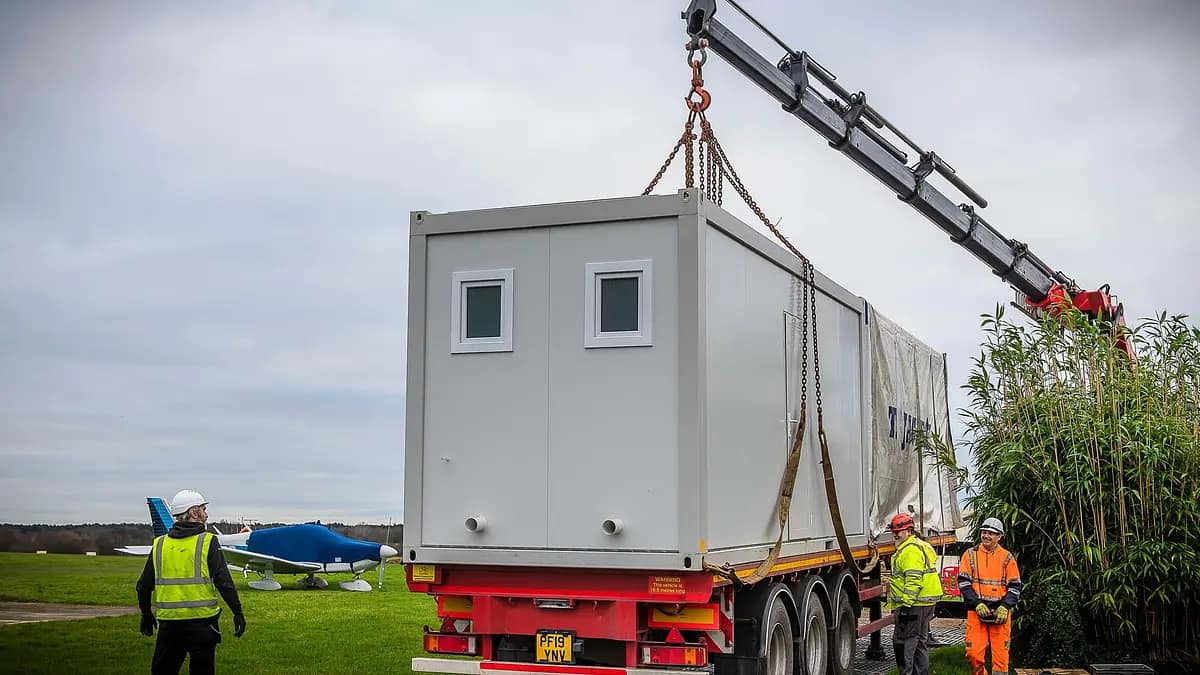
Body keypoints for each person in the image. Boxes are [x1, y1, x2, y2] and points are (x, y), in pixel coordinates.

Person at [136, 490, 246, 675]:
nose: (206, 514)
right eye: (203, 509)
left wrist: (146, 615)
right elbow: (224, 582)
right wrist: (238, 612)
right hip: (202, 625)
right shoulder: (207, 541)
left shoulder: (160, 544)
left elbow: (143, 586)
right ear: (194, 513)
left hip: (169, 626)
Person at [957, 517, 1022, 675]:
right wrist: (977, 604)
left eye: (991, 533)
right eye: (984, 532)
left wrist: (1005, 607)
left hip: (1000, 615)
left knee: (1001, 660)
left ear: (999, 536)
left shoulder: (1007, 558)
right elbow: (964, 583)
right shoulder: (970, 555)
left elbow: (1015, 586)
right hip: (976, 612)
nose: (986, 536)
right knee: (973, 654)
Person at [885, 512, 943, 675]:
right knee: (920, 642)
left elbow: (913, 580)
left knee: (905, 643)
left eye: (899, 531)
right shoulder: (919, 545)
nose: (895, 534)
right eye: (894, 531)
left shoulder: (910, 551)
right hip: (925, 603)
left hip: (913, 605)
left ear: (909, 531)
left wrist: (905, 606)